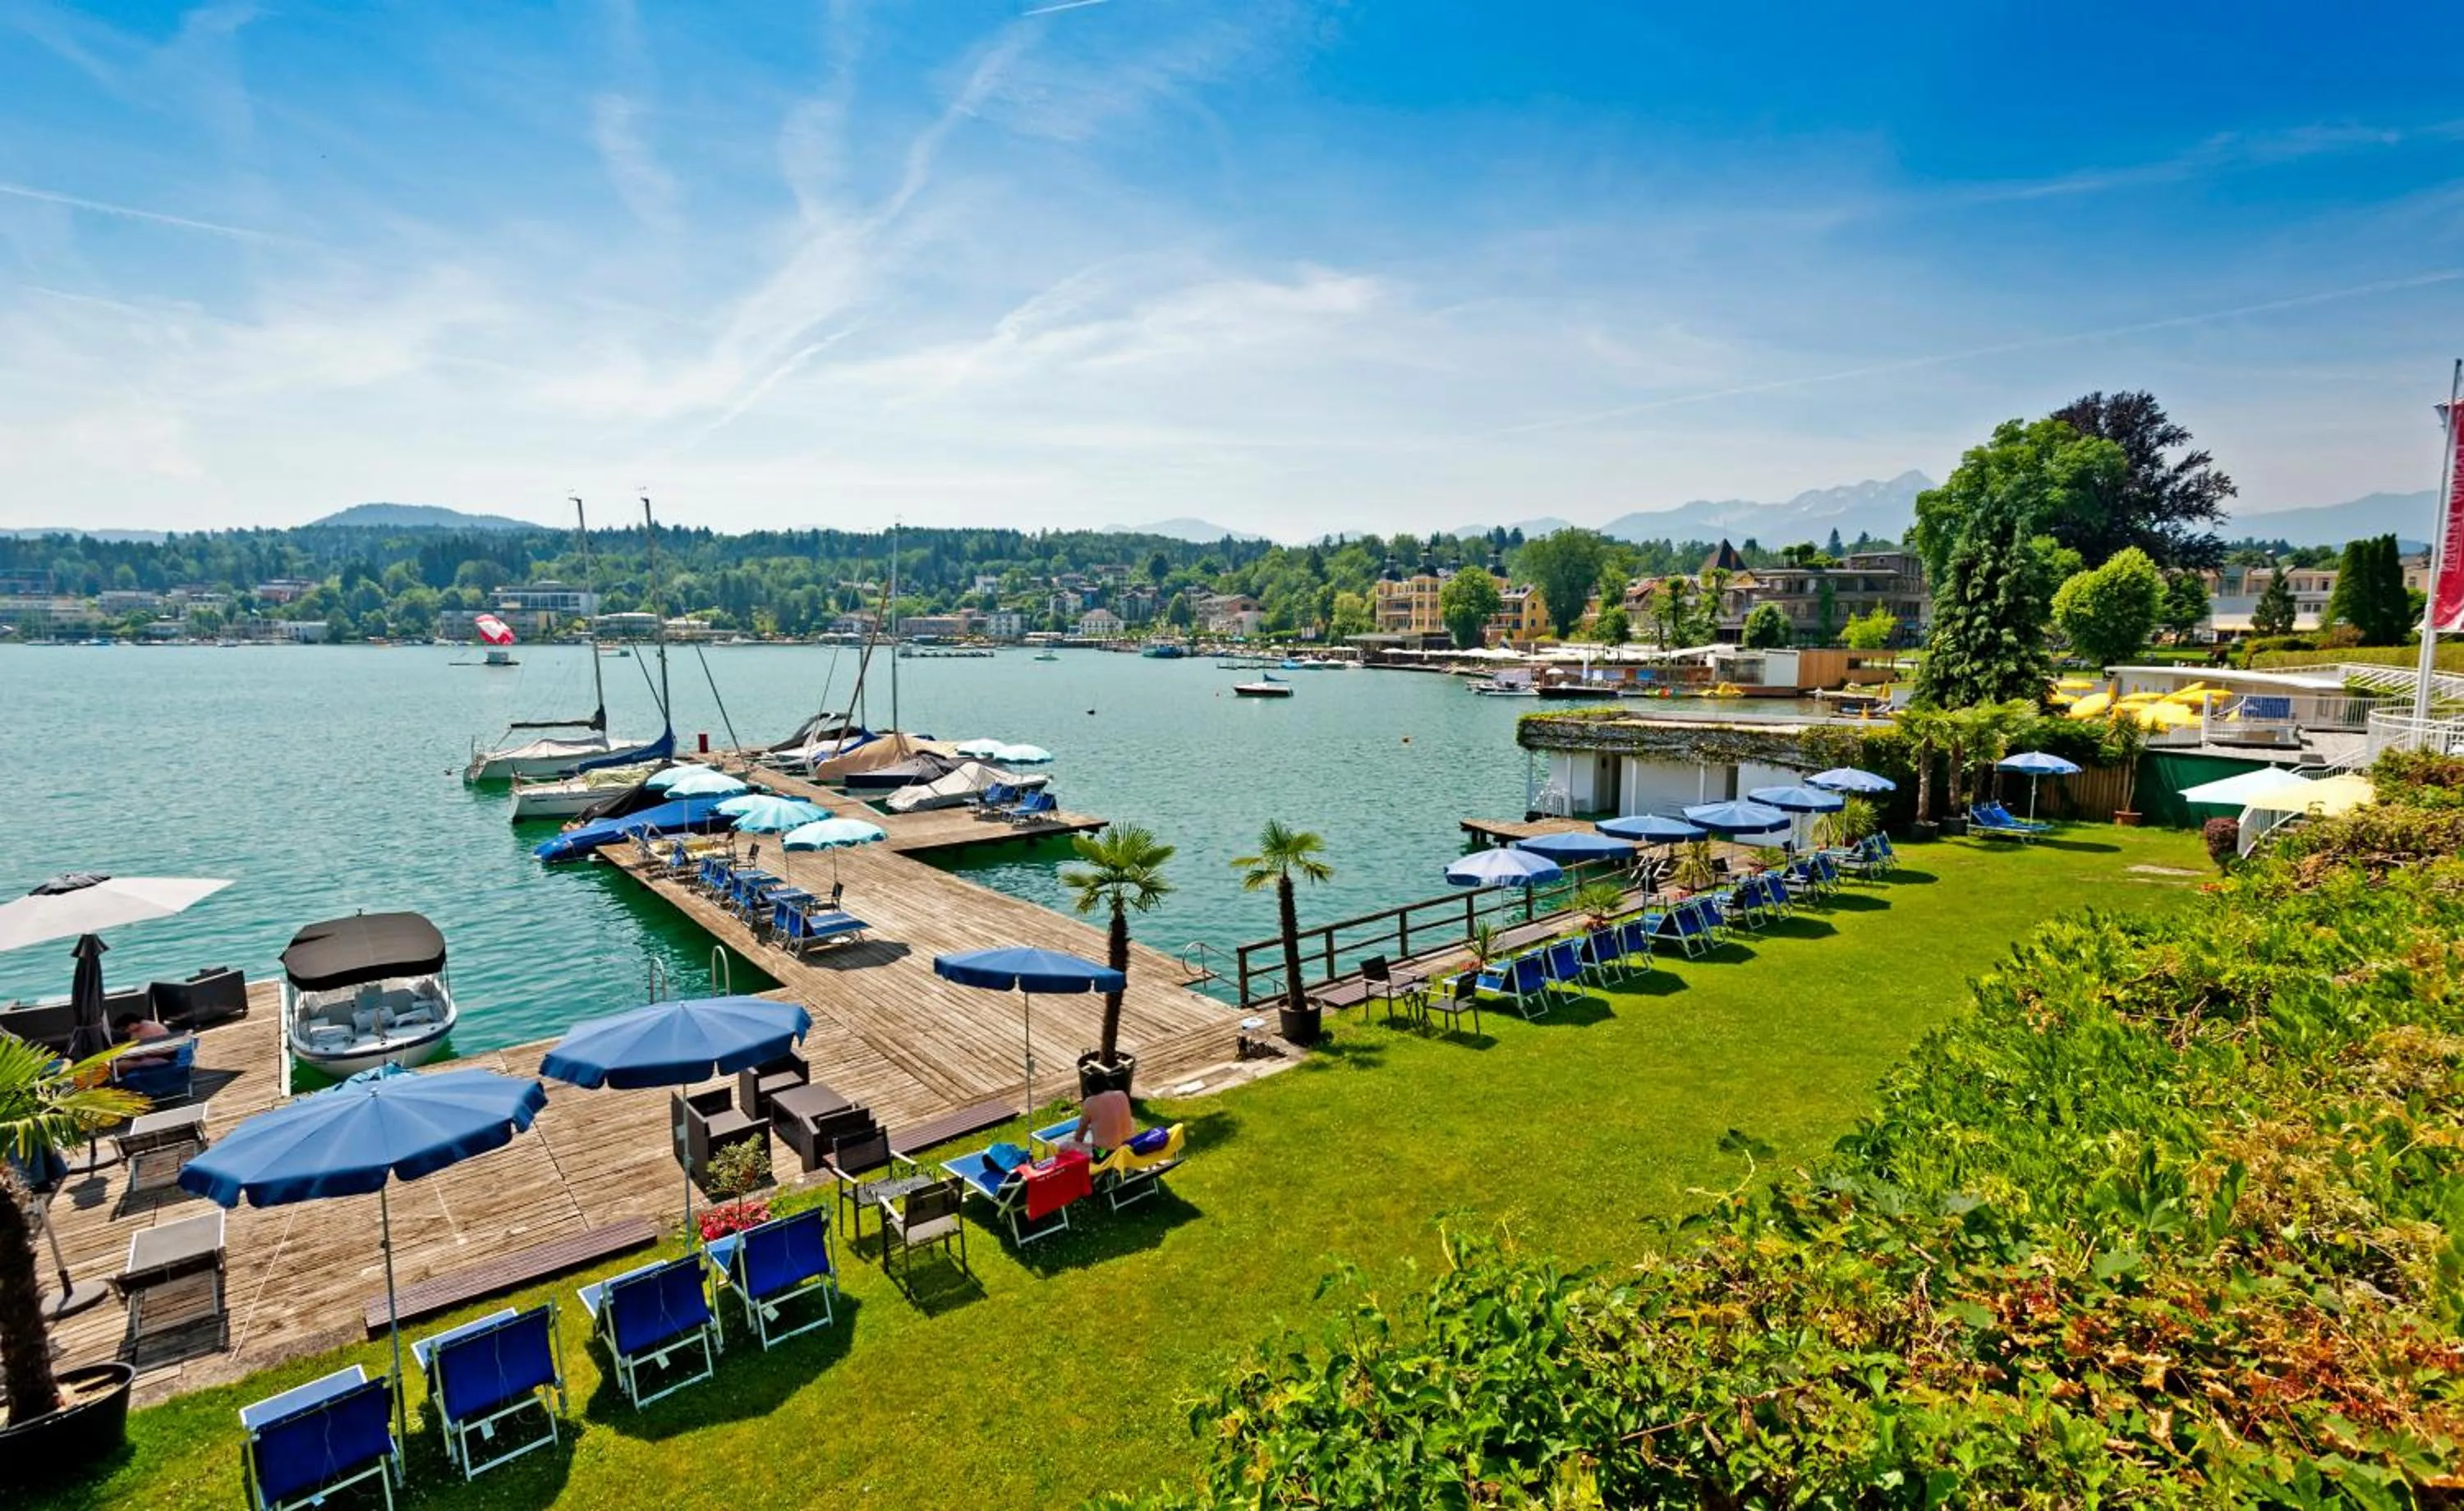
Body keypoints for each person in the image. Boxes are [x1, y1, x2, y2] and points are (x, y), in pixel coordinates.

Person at [1069, 1088, 1136, 1153]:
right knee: (1132, 1120)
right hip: (1128, 1148)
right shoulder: (1122, 1094)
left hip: (1104, 1154)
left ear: (1089, 1090)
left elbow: (1079, 1137)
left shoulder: (1089, 1101)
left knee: (1064, 1146)